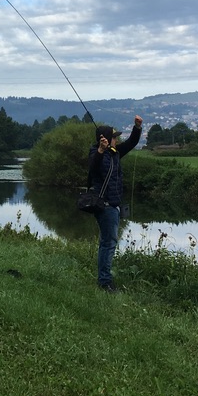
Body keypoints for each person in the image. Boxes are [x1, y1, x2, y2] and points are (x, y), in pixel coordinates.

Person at [87, 116, 143, 293]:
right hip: (105, 206)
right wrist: (100, 151)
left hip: (114, 205)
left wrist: (137, 128)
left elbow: (131, 143)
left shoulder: (116, 152)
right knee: (108, 243)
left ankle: (104, 279)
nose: (116, 140)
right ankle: (105, 282)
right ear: (104, 139)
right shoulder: (95, 153)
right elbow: (92, 168)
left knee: (107, 242)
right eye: (114, 137)